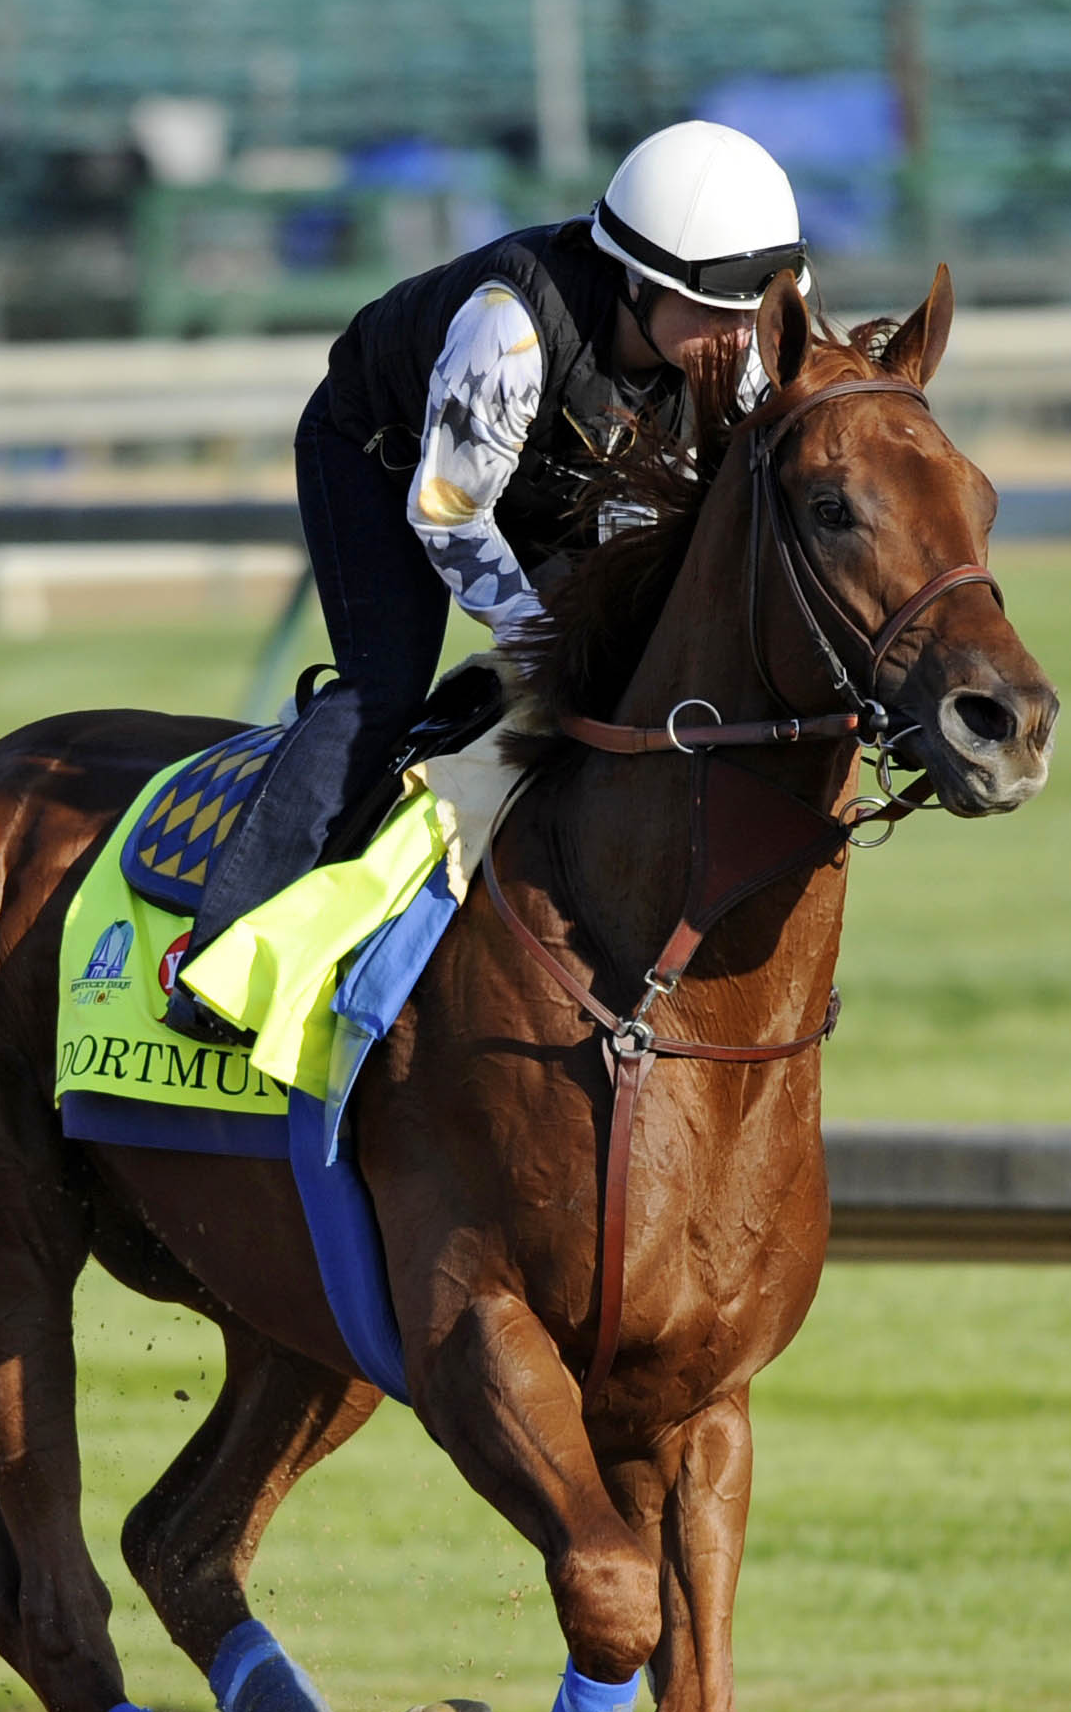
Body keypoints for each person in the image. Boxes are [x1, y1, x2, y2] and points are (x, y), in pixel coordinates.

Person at [166, 120, 811, 1042]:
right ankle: (222, 958)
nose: (735, 340)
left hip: (538, 467)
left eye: (751, 313)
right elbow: (448, 515)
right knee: (382, 691)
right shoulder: (507, 331)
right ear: (636, 279)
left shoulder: (721, 341)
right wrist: (546, 637)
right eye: (711, 313)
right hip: (386, 460)